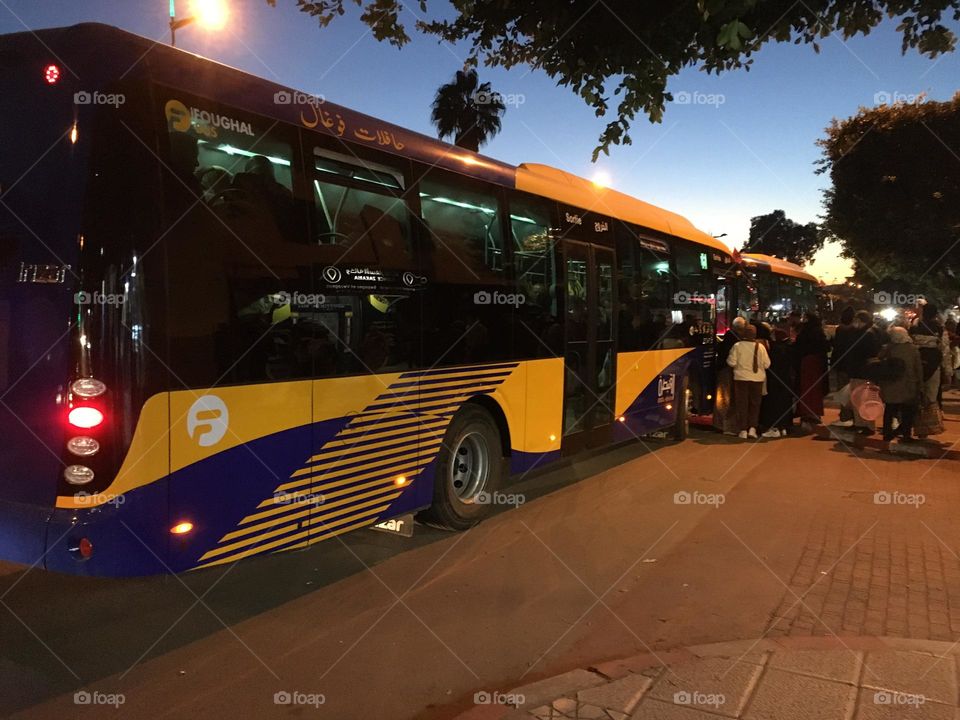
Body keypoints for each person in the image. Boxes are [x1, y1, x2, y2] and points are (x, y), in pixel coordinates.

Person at [911, 304, 951, 437]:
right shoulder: (940, 328)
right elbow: (945, 350)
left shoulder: (914, 326)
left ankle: (911, 426)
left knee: (916, 396)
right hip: (934, 366)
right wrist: (948, 371)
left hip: (916, 365)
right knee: (930, 397)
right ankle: (926, 429)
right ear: (935, 314)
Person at [839, 310, 883, 433]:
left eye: (856, 320)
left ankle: (868, 425)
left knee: (866, 400)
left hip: (863, 372)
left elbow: (870, 353)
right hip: (856, 371)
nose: (854, 322)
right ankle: (859, 423)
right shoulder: (860, 332)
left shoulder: (869, 334)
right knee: (856, 399)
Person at [877, 326, 923, 442]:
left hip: (890, 384)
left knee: (889, 410)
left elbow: (879, 362)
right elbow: (918, 368)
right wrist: (920, 384)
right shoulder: (912, 349)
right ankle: (906, 434)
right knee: (907, 411)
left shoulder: (887, 348)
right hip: (908, 384)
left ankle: (887, 433)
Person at [727, 324, 771, 439]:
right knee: (755, 404)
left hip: (741, 379)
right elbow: (767, 364)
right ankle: (752, 428)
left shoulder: (737, 346)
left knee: (742, 404)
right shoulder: (761, 347)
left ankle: (743, 430)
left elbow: (731, 362)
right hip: (757, 379)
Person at [794, 312, 829, 430]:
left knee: (806, 389)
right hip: (817, 364)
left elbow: (799, 346)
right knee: (815, 390)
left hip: (807, 363)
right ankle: (815, 413)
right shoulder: (818, 332)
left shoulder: (806, 332)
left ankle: (807, 413)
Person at [760, 327, 795, 437]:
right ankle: (784, 427)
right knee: (785, 404)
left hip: (775, 380)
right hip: (786, 380)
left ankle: (775, 428)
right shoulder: (790, 348)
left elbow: (769, 365)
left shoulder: (775, 349)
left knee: (774, 404)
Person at [714, 316, 746, 435]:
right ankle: (728, 426)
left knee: (723, 397)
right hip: (730, 371)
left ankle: (720, 424)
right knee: (729, 397)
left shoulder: (728, 337)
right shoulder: (738, 340)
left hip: (723, 369)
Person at [831, 306, 857, 421]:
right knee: (853, 390)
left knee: (842, 390)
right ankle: (852, 414)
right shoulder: (855, 330)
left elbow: (837, 347)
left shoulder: (840, 330)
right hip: (852, 364)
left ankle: (845, 414)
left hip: (841, 363)